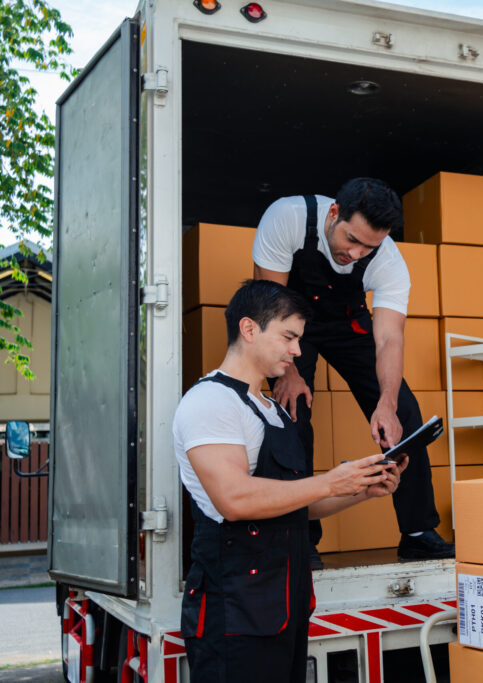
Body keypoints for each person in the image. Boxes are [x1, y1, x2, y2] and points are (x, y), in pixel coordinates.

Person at [174, 280, 406, 682]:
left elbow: (294, 502)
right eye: (289, 337)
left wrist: (361, 489)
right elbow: (235, 499)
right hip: (234, 612)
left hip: (283, 605)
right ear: (249, 330)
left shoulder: (274, 410)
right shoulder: (210, 402)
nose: (298, 351)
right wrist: (332, 482)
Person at [252, 177, 452, 563]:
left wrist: (388, 404)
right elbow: (269, 306)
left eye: (368, 247)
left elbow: (389, 339)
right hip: (286, 320)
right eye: (351, 239)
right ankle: (300, 539)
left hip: (347, 322)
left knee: (406, 415)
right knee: (294, 411)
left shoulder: (389, 260)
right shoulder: (287, 218)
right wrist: (287, 374)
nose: (356, 253)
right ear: (333, 214)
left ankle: (417, 532)